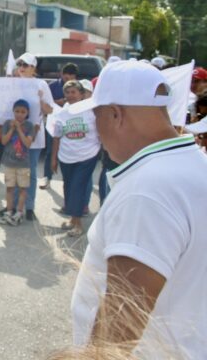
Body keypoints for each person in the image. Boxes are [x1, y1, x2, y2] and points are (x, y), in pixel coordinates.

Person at [69, 60, 207, 358]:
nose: (96, 130)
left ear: (115, 114)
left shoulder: (146, 191)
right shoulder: (195, 165)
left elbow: (119, 330)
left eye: (97, 116)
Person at [0, 52, 55, 221]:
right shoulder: (13, 83)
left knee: (29, 173)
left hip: (33, 137)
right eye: (20, 64)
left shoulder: (41, 84)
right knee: (13, 171)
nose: (21, 68)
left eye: (25, 65)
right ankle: (12, 206)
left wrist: (41, 101)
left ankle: (28, 207)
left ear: (33, 68)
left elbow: (50, 110)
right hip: (13, 137)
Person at [50, 80, 100, 237]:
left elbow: (101, 131)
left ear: (82, 94)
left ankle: (78, 224)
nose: (70, 95)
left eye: (74, 92)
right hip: (66, 156)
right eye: (67, 92)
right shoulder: (61, 113)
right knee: (69, 187)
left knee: (78, 187)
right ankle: (72, 219)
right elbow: (57, 137)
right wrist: (54, 158)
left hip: (87, 155)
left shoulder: (91, 111)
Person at [41, 63, 78, 191]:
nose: (68, 80)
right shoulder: (52, 86)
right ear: (61, 75)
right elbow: (47, 103)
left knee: (69, 152)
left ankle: (68, 181)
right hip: (54, 122)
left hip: (72, 124)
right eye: (66, 77)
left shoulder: (78, 87)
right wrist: (60, 102)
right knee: (51, 151)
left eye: (71, 78)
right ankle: (47, 177)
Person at [0, 99, 34, 226]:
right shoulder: (7, 123)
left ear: (27, 113)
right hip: (10, 163)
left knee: (23, 188)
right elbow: (3, 141)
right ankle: (8, 211)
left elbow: (28, 144)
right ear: (13, 111)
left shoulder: (29, 126)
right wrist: (12, 129)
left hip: (23, 163)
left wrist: (19, 129)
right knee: (10, 188)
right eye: (17, 111)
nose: (19, 114)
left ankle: (19, 212)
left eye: (23, 112)